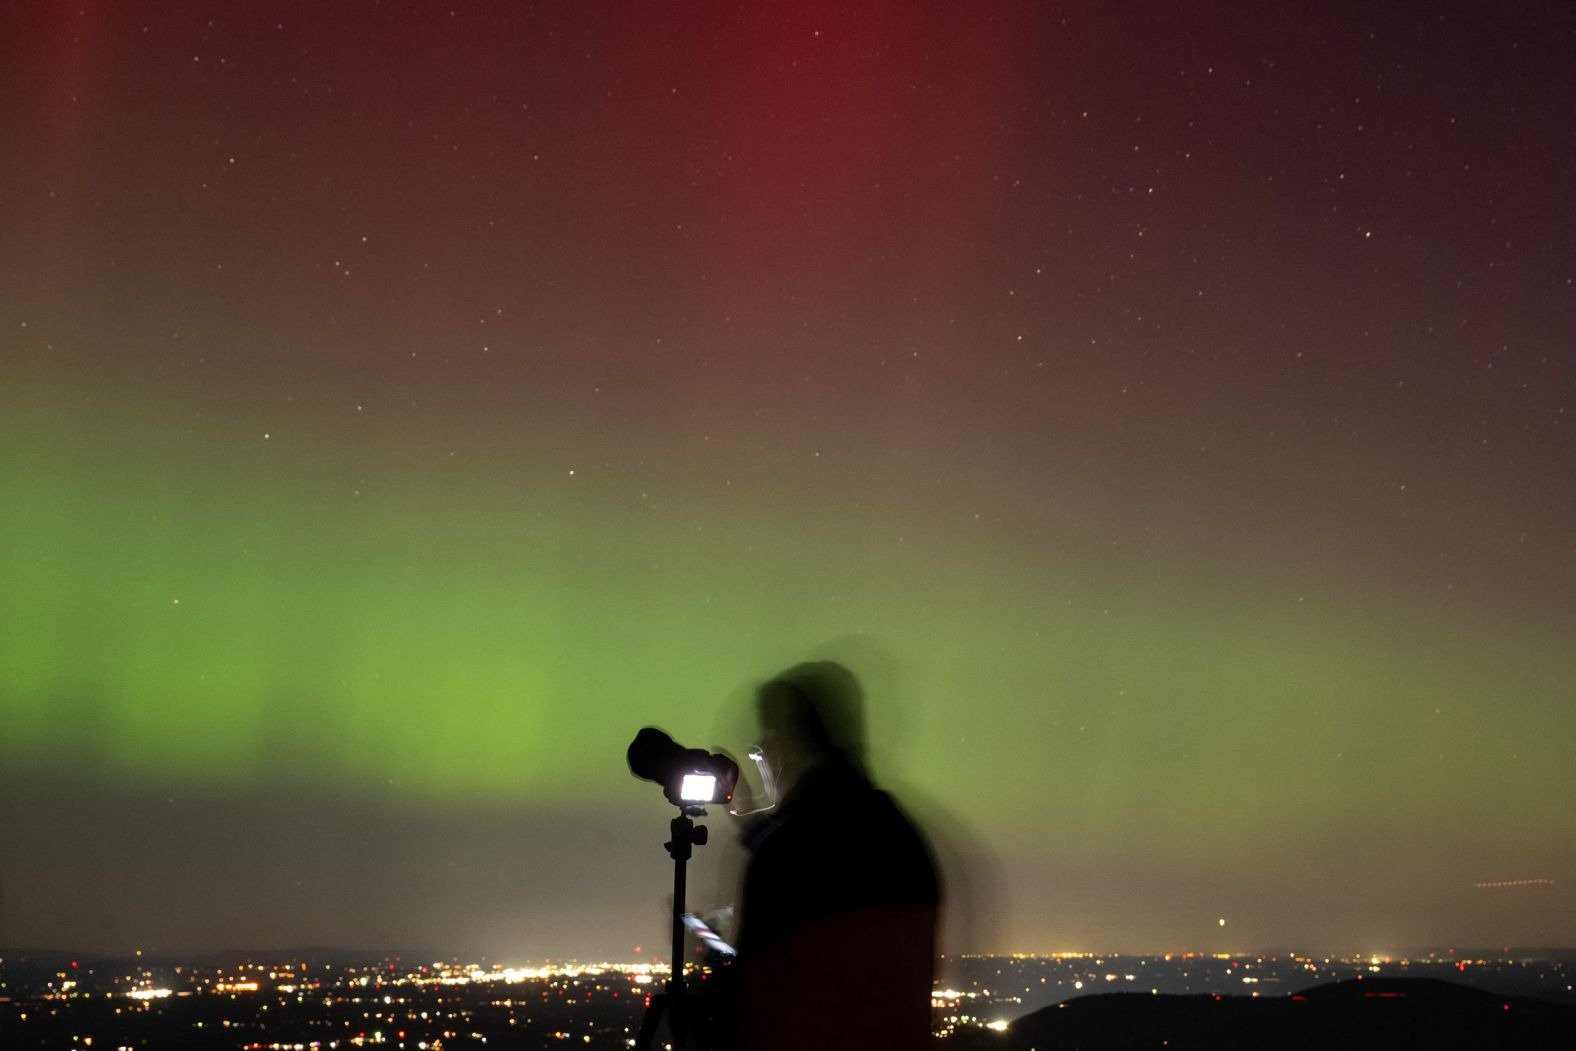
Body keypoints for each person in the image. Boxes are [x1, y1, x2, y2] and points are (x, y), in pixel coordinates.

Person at [733, 661, 940, 1051]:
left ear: (792, 741)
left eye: (766, 741)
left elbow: (760, 1009)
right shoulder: (899, 835)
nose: (763, 755)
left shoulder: (790, 853)